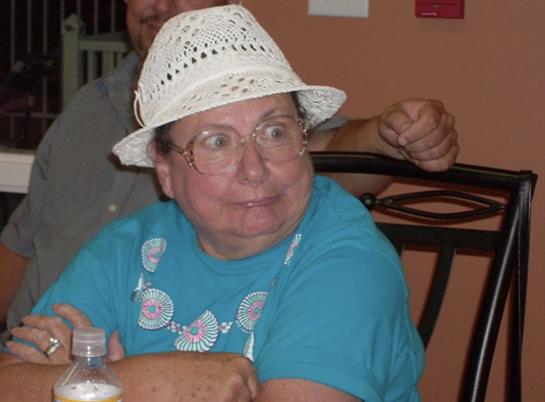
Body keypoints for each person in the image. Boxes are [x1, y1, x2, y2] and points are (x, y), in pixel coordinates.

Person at [0, 5, 424, 402]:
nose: (254, 169)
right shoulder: (125, 247)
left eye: (275, 132)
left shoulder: (347, 259)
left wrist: (96, 384)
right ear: (164, 170)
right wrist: (146, 381)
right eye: (217, 142)